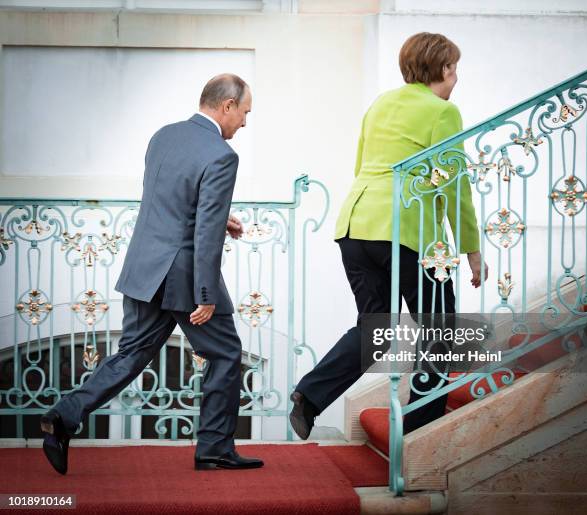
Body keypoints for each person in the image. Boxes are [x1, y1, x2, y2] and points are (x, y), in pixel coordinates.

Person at [40, 73, 264, 474]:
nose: (245, 123)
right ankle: (214, 448)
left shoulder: (163, 136)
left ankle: (64, 415)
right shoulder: (222, 155)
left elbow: (173, 201)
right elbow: (203, 229)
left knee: (131, 353)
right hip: (182, 274)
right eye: (245, 112)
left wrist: (217, 219)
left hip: (145, 267)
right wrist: (206, 292)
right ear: (227, 106)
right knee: (227, 353)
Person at [289, 32, 489, 439]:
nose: (456, 78)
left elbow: (363, 163)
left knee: (376, 329)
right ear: (445, 69)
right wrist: (471, 249)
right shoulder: (441, 112)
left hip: (356, 223)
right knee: (441, 330)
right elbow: (455, 185)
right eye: (455, 69)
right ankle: (417, 433)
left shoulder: (381, 103)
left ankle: (310, 396)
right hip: (406, 230)